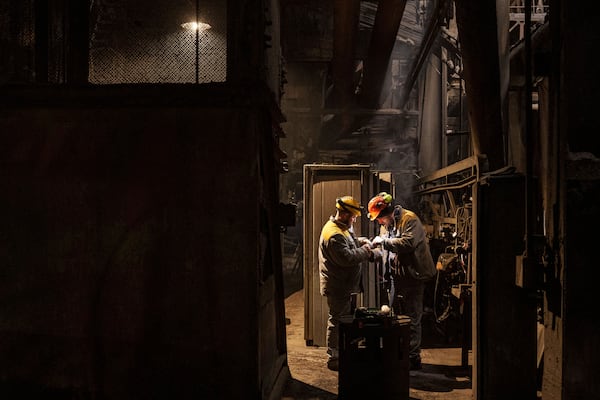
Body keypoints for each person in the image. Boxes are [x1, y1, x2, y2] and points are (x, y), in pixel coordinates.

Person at [367, 192, 436, 371]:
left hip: (413, 277)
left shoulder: (409, 219)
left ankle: (413, 358)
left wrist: (382, 243)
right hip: (396, 277)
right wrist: (371, 253)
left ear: (387, 212)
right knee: (395, 318)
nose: (378, 222)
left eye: (379, 219)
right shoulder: (387, 225)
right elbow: (386, 250)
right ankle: (399, 353)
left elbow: (407, 243)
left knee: (412, 319)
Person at [318, 195, 382, 371]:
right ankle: (334, 357)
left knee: (344, 319)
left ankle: (343, 351)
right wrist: (366, 251)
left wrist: (361, 241)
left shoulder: (341, 227)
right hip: (338, 285)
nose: (354, 219)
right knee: (337, 320)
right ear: (345, 215)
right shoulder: (333, 235)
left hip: (344, 284)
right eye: (353, 216)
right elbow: (347, 257)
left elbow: (349, 242)